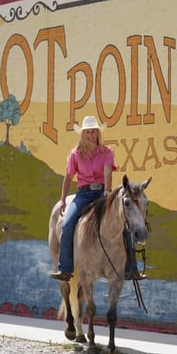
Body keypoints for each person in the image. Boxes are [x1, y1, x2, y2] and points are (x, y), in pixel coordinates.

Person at [51, 115, 145, 281]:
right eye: (87, 132)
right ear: (83, 134)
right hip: (83, 194)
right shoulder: (75, 154)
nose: (90, 135)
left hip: (102, 193)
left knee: (124, 223)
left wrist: (107, 191)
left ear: (97, 133)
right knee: (67, 224)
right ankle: (65, 268)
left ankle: (132, 268)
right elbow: (68, 178)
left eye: (93, 132)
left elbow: (107, 171)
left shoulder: (106, 152)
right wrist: (63, 199)